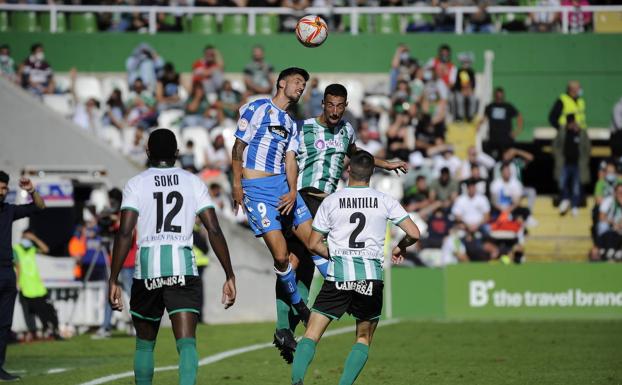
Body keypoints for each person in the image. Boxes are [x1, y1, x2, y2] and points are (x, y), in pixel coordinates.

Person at [275, 84, 407, 363]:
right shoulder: (304, 127)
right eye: (330, 105)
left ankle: (288, 330)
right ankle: (285, 326)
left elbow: (360, 156)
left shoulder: (346, 131)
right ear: (322, 103)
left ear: (345, 106)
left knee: (304, 267)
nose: (334, 111)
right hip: (303, 198)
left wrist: (387, 164)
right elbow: (285, 157)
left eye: (340, 106)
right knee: (296, 261)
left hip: (327, 205)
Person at [108, 128, 236, 385]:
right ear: (177, 153)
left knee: (144, 346)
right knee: (186, 343)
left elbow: (124, 233)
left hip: (147, 272)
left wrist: (113, 279)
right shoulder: (193, 182)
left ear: (147, 153)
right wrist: (229, 274)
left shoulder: (136, 184)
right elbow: (213, 229)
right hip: (183, 270)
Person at [290, 150, 420, 385]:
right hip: (370, 278)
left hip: (338, 276)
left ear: (349, 171)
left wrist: (337, 254)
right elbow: (414, 233)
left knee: (311, 334)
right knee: (362, 338)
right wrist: (401, 247)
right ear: (372, 173)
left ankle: (297, 380)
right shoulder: (384, 200)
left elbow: (313, 244)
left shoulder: (331, 201)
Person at [231, 67, 315, 335]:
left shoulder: (291, 123)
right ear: (281, 83)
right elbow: (238, 147)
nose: (301, 87)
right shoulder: (257, 107)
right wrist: (236, 184)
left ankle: (342, 293)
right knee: (281, 257)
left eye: (304, 84)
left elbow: (291, 160)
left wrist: (292, 190)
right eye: (297, 82)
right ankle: (299, 306)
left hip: (282, 186)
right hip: (256, 189)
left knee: (315, 243)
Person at [0, 171, 45, 381]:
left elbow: (39, 207)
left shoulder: (8, 210)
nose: (3, 191)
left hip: (7, 272)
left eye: (4, 188)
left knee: (4, 324)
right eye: (0, 187)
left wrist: (32, 191)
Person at [13, 229, 62, 341]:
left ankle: (53, 331)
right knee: (33, 313)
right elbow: (18, 266)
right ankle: (38, 332)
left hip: (38, 286)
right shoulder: (16, 249)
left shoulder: (31, 249)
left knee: (48, 310)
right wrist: (17, 283)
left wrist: (34, 239)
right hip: (25, 286)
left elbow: (46, 249)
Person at [553, 114, 591, 216]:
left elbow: (587, 148)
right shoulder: (562, 132)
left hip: (577, 165)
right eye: (568, 123)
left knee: (576, 187)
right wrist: (557, 157)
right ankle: (565, 199)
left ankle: (574, 205)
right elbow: (555, 146)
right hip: (564, 163)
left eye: (571, 122)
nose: (570, 125)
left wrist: (585, 160)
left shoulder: (581, 133)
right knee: (562, 183)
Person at [478, 87, 523, 160]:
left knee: (507, 158)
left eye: (500, 95)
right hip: (493, 139)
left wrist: (518, 130)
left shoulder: (508, 106)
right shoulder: (490, 106)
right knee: (493, 158)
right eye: (497, 95)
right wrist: (478, 124)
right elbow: (485, 118)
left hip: (506, 139)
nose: (499, 97)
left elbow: (519, 115)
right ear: (495, 95)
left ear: (503, 96)